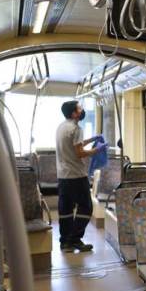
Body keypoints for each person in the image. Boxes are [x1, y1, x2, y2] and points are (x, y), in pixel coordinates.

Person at [56, 101, 107, 252]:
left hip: (63, 176)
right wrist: (97, 150)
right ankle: (75, 239)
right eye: (79, 108)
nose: (82, 110)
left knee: (66, 210)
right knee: (86, 207)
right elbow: (79, 152)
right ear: (73, 113)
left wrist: (92, 139)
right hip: (76, 175)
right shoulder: (76, 128)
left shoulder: (62, 127)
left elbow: (76, 144)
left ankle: (65, 242)